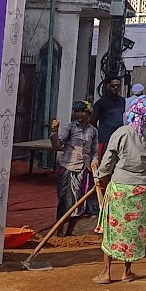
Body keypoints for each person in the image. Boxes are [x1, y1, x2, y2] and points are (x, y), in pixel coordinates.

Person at [93, 94, 146, 284]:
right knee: (133, 230)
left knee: (113, 229)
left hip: (120, 187)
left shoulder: (122, 132)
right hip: (142, 188)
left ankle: (106, 272)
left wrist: (100, 176)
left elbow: (108, 160)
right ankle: (126, 272)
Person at [49, 101, 99, 236]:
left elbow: (94, 151)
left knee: (79, 203)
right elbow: (57, 146)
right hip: (68, 168)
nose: (79, 114)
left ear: (89, 114)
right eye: (77, 111)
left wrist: (94, 164)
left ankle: (69, 232)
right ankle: (59, 232)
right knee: (64, 201)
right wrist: (54, 132)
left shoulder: (93, 131)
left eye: (82, 111)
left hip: (84, 170)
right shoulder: (69, 128)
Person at [92, 77, 126, 159]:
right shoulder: (101, 103)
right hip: (105, 140)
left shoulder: (123, 101)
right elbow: (93, 121)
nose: (116, 88)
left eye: (118, 86)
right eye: (113, 86)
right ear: (108, 86)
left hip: (120, 139)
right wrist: (98, 135)